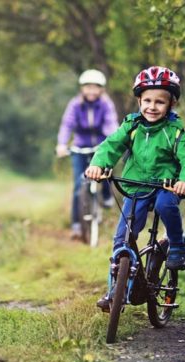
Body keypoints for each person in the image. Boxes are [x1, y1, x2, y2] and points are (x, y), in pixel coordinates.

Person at [84, 66, 185, 310]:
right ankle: (113, 291)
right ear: (139, 100)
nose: (152, 106)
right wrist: (98, 164)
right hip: (135, 186)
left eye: (160, 102)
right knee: (123, 237)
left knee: (165, 205)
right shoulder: (132, 126)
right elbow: (111, 146)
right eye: (147, 100)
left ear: (171, 104)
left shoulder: (175, 131)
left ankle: (177, 244)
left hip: (165, 186)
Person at [55, 69, 119, 240]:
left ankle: (106, 196)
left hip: (101, 145)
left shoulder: (106, 104)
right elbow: (67, 125)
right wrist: (62, 144)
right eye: (87, 87)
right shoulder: (75, 104)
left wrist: (113, 141)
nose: (91, 91)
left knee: (105, 173)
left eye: (95, 87)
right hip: (79, 147)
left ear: (101, 89)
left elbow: (112, 124)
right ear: (82, 89)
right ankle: (76, 225)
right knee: (79, 185)